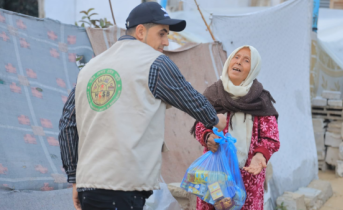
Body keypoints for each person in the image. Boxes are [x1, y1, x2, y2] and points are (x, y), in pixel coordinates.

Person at [58, 2, 227, 210]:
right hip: (122, 187)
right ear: (140, 31)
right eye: (162, 33)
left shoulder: (90, 68)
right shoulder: (155, 62)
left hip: (89, 188)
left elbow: (67, 124)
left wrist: (75, 178)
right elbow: (191, 100)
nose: (166, 41)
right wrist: (215, 119)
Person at [191, 46, 280, 210]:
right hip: (215, 175)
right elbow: (200, 126)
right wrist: (208, 137)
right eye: (236, 57)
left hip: (247, 177)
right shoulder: (213, 94)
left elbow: (271, 137)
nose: (238, 62)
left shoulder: (260, 100)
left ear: (253, 69)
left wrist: (260, 155)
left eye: (246, 60)